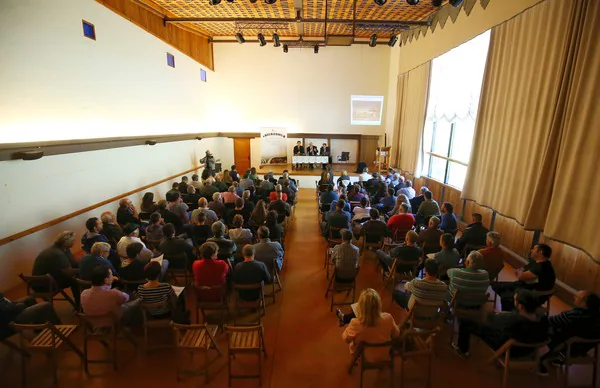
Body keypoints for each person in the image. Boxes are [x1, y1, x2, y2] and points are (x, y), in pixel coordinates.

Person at [453, 289, 548, 359]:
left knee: (466, 322)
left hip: (507, 349)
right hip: (526, 352)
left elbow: (491, 320)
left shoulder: (513, 320)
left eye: (515, 300)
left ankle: (462, 350)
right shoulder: (542, 319)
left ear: (520, 306)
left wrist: (491, 313)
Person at [538, 291, 600, 376]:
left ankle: (539, 360)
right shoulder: (596, 318)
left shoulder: (574, 316)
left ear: (585, 304)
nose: (574, 297)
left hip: (566, 347)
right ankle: (557, 358)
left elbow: (551, 321)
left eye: (577, 297)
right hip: (580, 349)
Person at [340, 289, 400, 361]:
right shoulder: (388, 317)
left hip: (362, 355)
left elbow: (346, 339)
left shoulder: (355, 323)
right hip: (384, 354)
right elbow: (396, 334)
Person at [492, 244, 556, 311]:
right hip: (524, 286)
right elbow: (519, 271)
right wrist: (521, 272)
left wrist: (521, 273)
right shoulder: (535, 262)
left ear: (540, 252)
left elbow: (520, 276)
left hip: (533, 294)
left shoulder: (543, 267)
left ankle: (513, 313)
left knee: (506, 296)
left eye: (534, 249)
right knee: (497, 286)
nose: (531, 250)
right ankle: (513, 309)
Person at [32, 231, 80, 305]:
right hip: (45, 285)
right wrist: (82, 270)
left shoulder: (62, 249)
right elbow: (68, 272)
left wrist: (84, 264)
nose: (74, 241)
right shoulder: (57, 254)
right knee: (75, 280)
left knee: (78, 274)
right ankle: (79, 304)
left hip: (47, 279)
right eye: (73, 240)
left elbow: (73, 263)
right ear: (66, 242)